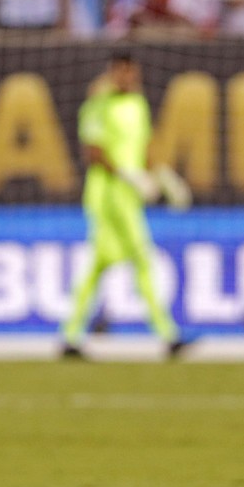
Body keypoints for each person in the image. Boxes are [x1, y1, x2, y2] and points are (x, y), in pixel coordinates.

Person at [60, 54, 188, 361]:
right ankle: (168, 334)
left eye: (133, 72)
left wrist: (163, 177)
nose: (128, 78)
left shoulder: (138, 105)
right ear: (112, 73)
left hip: (129, 195)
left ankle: (70, 335)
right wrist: (128, 176)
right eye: (122, 73)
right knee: (142, 257)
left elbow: (143, 150)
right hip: (107, 194)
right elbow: (92, 152)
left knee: (98, 266)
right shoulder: (98, 105)